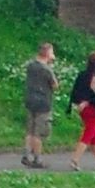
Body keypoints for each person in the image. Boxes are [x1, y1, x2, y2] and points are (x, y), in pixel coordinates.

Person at [21, 39, 60, 170]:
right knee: (38, 132)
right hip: (43, 102)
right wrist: (51, 64)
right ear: (48, 54)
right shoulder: (47, 69)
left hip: (30, 99)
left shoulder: (31, 66)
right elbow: (55, 86)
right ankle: (37, 158)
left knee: (30, 130)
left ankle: (26, 155)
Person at [69, 49, 95, 169]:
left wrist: (78, 102)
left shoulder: (82, 75)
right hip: (92, 109)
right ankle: (75, 159)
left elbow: (75, 92)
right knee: (89, 133)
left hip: (82, 109)